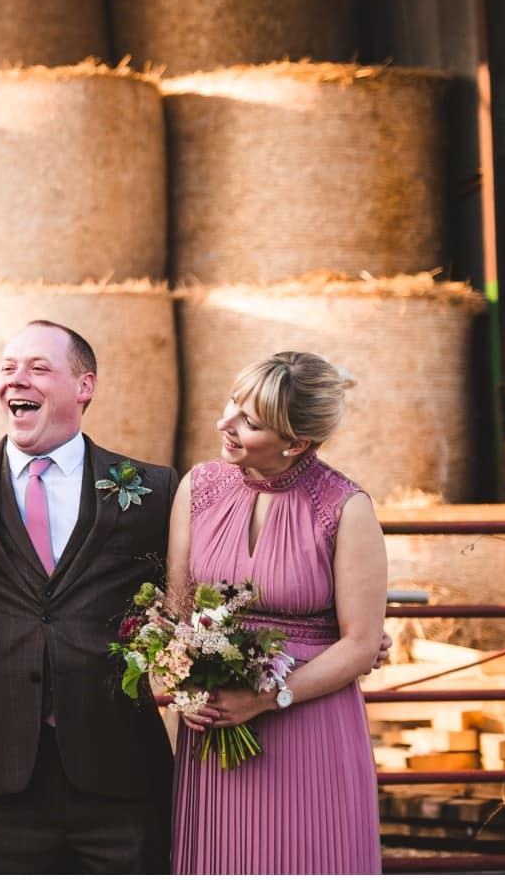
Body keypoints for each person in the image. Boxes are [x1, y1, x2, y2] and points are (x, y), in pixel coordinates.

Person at [0, 320, 177, 873]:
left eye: (39, 368)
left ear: (85, 386)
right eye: (8, 368)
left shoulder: (155, 490)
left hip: (120, 771)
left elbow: (203, 586)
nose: (19, 379)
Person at [168, 351, 385, 874]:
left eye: (251, 421)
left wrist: (263, 700)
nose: (226, 423)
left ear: (297, 442)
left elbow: (361, 645)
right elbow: (175, 611)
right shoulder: (197, 488)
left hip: (310, 727)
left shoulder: (346, 508)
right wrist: (182, 688)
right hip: (214, 731)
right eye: (233, 404)